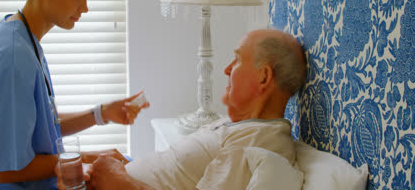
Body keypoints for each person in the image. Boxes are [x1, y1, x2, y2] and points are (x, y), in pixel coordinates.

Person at [0, 0, 149, 189]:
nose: (84, 7)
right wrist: (95, 158)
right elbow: (8, 170)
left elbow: (40, 128)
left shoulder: (24, 39)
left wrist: (102, 113)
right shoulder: (14, 56)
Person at [59, 29, 307, 190]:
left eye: (238, 59)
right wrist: (121, 164)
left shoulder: (259, 143)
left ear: (263, 77)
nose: (227, 69)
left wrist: (119, 181)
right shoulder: (241, 126)